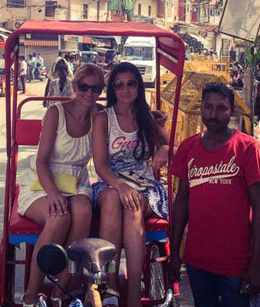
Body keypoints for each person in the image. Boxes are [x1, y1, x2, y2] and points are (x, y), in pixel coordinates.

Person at [18, 63, 105, 306]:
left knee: (84, 211)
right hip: (44, 180)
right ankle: (30, 295)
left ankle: (59, 294)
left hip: (76, 181)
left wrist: (153, 120)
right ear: (75, 85)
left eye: (95, 88)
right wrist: (54, 194)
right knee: (59, 217)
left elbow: (129, 117)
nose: (89, 93)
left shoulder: (99, 114)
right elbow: (42, 161)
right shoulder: (57, 112)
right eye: (83, 86)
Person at [170, 82, 260, 307]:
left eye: (221, 108)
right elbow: (181, 202)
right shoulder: (188, 148)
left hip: (237, 264)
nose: (213, 114)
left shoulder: (248, 148)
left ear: (231, 111)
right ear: (201, 108)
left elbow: (259, 208)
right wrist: (174, 253)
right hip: (197, 260)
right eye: (208, 107)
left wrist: (257, 264)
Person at [92, 62, 169, 307]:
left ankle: (135, 291)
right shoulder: (103, 118)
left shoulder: (147, 116)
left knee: (133, 208)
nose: (125, 90)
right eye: (119, 85)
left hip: (144, 185)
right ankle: (110, 282)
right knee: (115, 199)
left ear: (138, 85)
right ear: (112, 89)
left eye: (131, 84)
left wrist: (165, 148)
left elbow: (175, 146)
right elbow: (101, 165)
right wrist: (121, 186)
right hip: (111, 182)